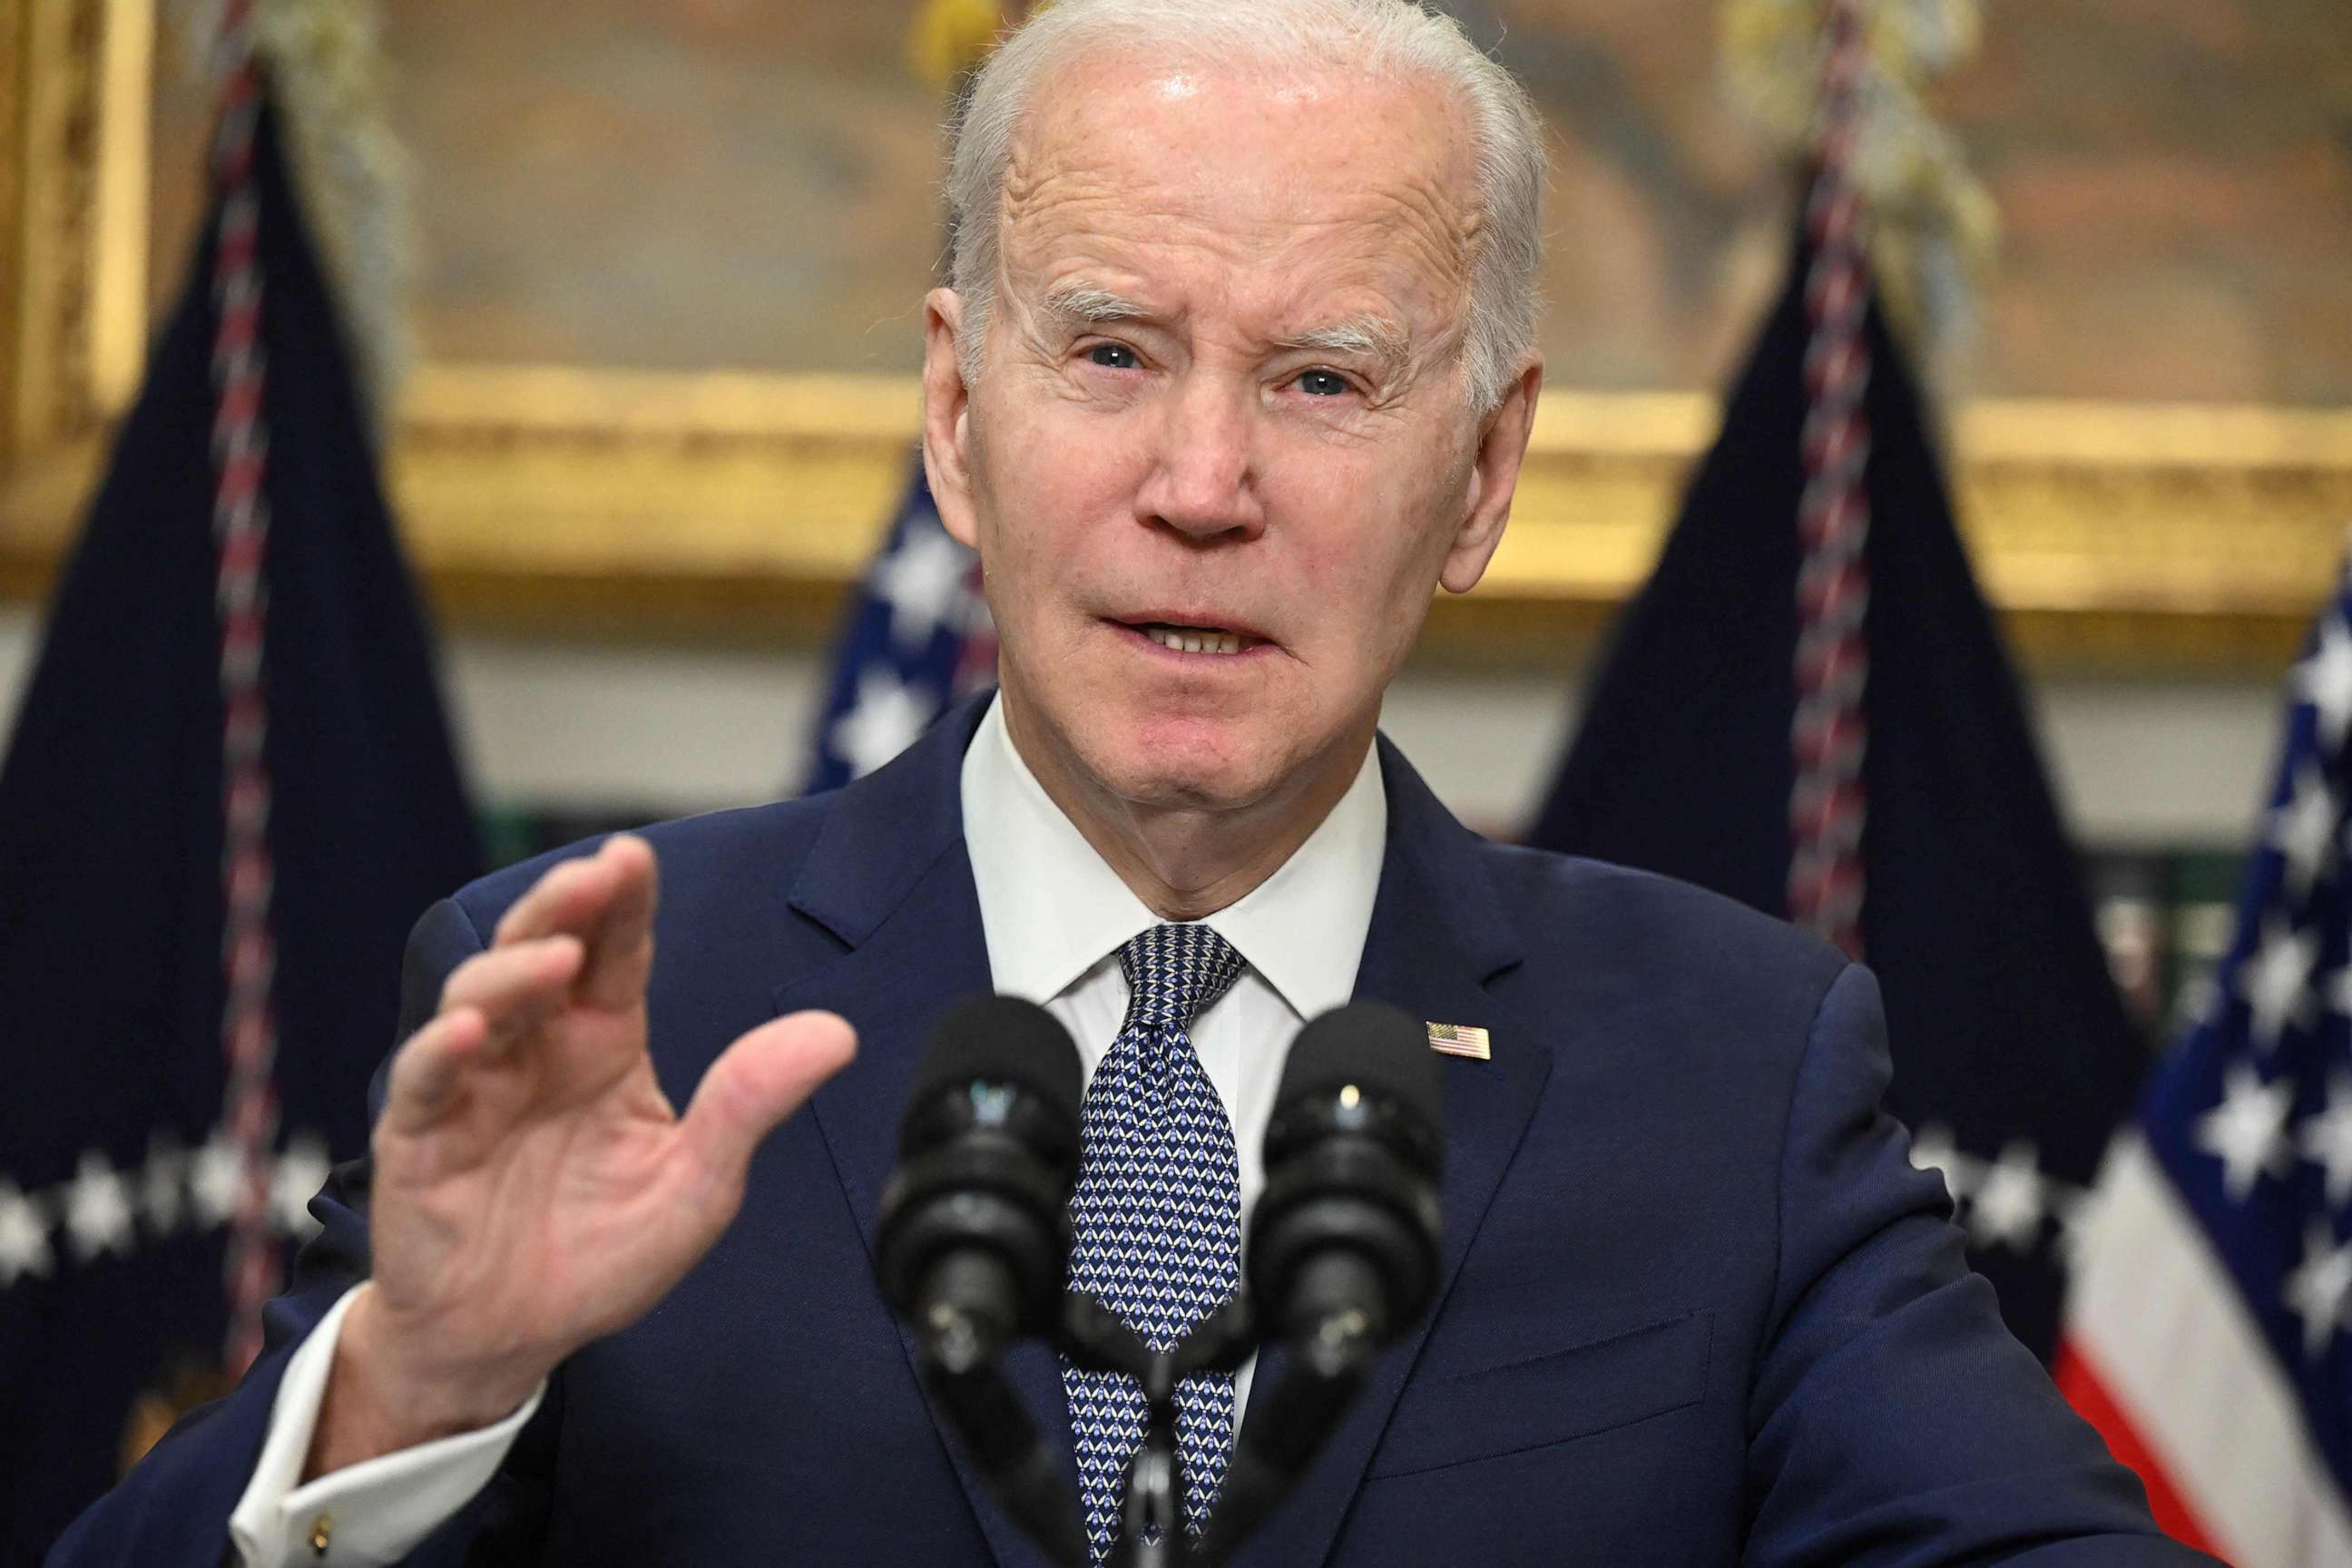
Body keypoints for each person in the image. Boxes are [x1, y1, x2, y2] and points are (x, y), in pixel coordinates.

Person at [54, 2, 2208, 1563]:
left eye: (1324, 379)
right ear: (955, 410)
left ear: (1481, 475)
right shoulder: (643, 1006)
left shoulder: (1734, 1070)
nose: (1203, 486)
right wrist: (419, 1382)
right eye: (1110, 352)